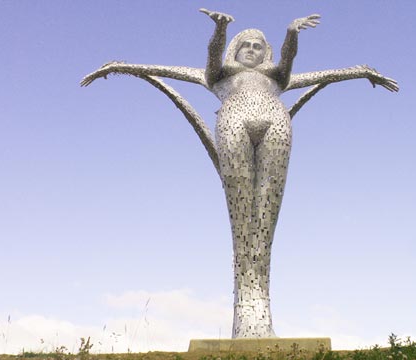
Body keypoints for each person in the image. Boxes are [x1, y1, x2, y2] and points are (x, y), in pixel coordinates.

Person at [81, 9, 398, 338]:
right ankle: (248, 313)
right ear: (234, 48)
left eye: (258, 45)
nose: (250, 49)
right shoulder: (218, 75)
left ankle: (259, 313)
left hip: (276, 124)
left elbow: (313, 70)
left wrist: (297, 36)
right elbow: (172, 66)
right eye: (244, 44)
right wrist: (216, 31)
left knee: (265, 211)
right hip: (232, 122)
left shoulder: (277, 77)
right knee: (243, 215)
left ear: (267, 52)